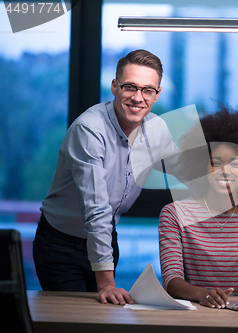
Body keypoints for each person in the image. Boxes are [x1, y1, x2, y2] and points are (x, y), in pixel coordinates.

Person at [33, 49, 180, 305]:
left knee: (104, 317)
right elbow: (97, 208)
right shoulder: (89, 129)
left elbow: (186, 168)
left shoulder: (157, 128)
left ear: (157, 95)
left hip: (107, 238)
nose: (138, 97)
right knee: (77, 321)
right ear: (114, 86)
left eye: (147, 90)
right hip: (60, 245)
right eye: (130, 87)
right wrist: (107, 283)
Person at [159, 109, 238, 309]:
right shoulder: (175, 215)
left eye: (234, 164)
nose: (224, 171)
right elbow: (171, 280)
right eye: (215, 163)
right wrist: (201, 294)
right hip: (195, 316)